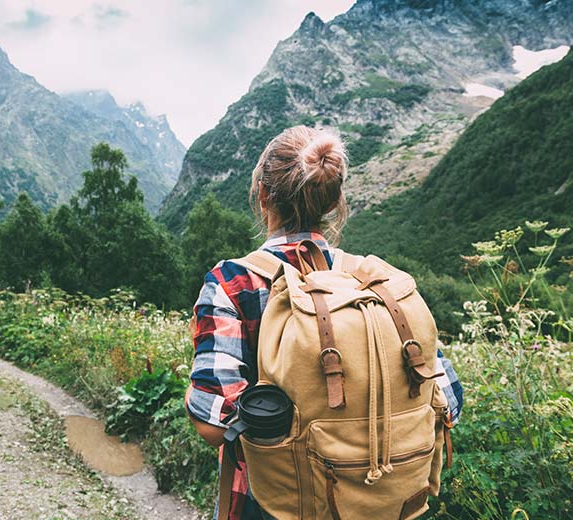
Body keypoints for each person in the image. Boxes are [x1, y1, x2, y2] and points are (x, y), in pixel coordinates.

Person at [184, 125, 463, 519]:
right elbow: (446, 399)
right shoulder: (372, 282)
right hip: (379, 503)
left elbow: (214, 426)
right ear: (333, 202)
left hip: (267, 504)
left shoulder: (234, 283)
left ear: (263, 195)